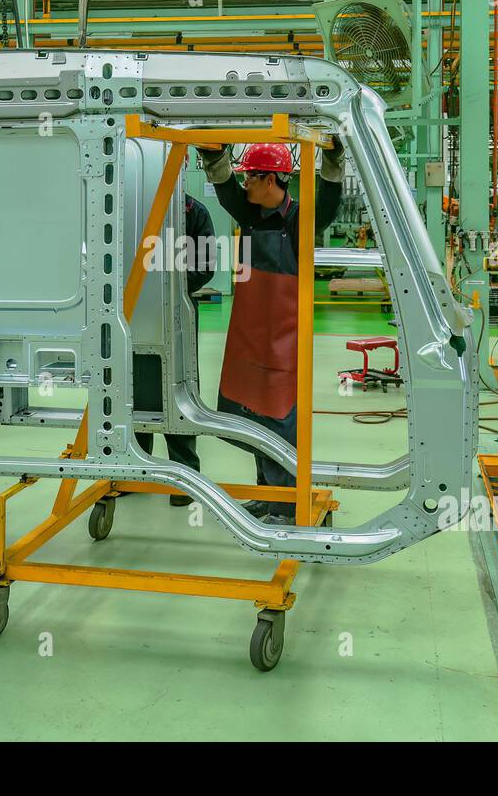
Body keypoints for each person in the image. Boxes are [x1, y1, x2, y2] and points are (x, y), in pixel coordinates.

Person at [197, 139, 344, 523]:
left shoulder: (301, 219)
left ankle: (285, 503)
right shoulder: (249, 215)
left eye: (252, 177)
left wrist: (333, 157)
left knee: (279, 419)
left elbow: (329, 201)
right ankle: (266, 493)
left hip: (283, 341)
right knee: (253, 416)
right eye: (245, 176)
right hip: (249, 336)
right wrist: (213, 154)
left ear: (274, 180)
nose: (245, 183)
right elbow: (225, 187)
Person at [133, 193, 217, 506]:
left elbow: (206, 266)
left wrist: (165, 284)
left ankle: (185, 476)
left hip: (177, 309)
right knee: (135, 387)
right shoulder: (132, 202)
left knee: (179, 388)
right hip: (135, 310)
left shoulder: (193, 211)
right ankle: (135, 471)